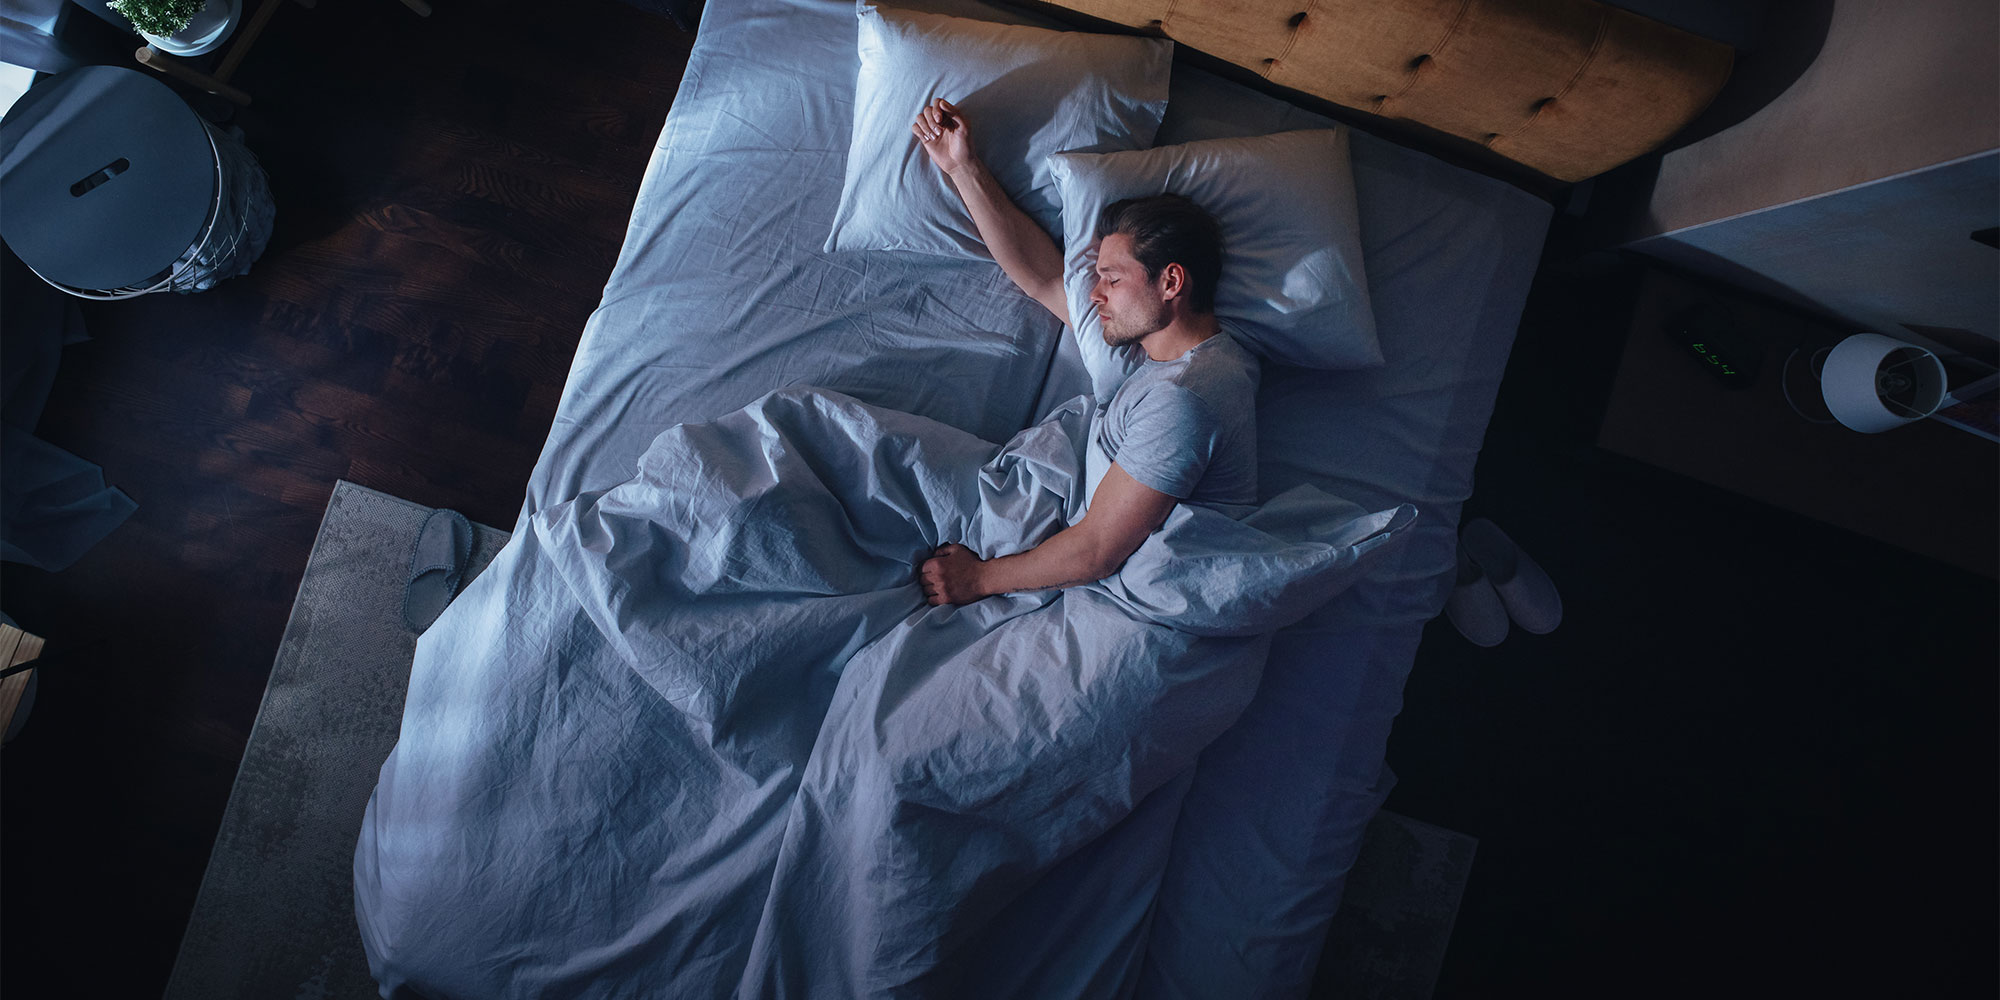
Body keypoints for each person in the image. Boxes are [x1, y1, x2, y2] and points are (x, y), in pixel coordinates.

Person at [910, 97, 1259, 606]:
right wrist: (961, 167)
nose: (1094, 295)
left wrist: (975, 581)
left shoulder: (1185, 400)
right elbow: (1044, 277)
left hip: (1135, 607)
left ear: (1171, 281)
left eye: (1111, 279)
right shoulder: (1154, 351)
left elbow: (1098, 550)